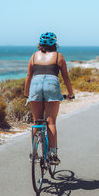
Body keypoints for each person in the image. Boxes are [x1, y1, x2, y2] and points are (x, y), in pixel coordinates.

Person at [24, 32, 75, 165]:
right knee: (51, 122)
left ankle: (33, 153)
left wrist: (26, 94)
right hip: (51, 85)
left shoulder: (34, 56)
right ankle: (52, 154)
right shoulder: (59, 56)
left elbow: (29, 76)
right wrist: (71, 94)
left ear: (40, 44)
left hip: (35, 86)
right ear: (55, 44)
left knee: (37, 121)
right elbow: (66, 77)